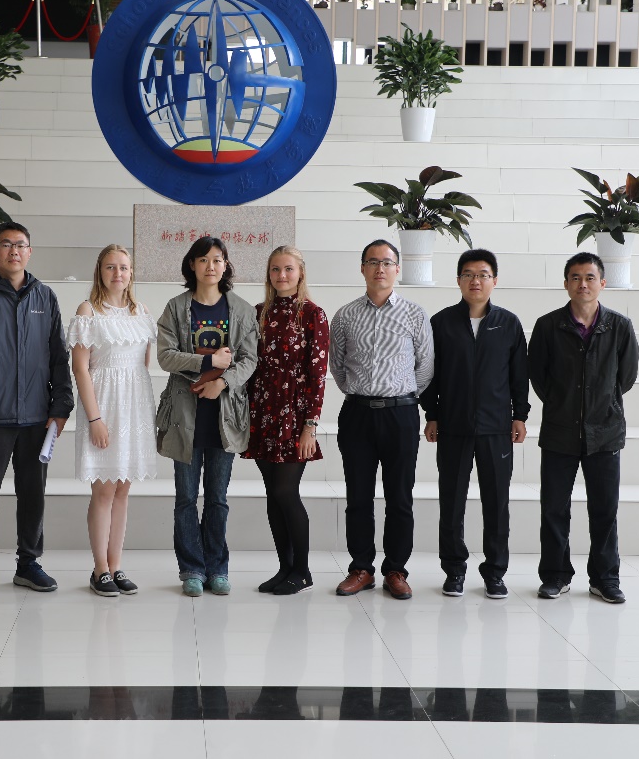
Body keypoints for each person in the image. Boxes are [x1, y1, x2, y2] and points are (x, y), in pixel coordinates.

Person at [0, 222, 74, 600]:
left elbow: (59, 357)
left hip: (37, 417)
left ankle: (28, 563)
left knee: (33, 493)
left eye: (21, 245)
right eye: (6, 244)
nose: (14, 251)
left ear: (30, 252)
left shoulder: (46, 298)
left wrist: (61, 406)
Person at [529, 252, 639, 604]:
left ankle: (605, 578)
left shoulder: (620, 327)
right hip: (559, 431)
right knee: (554, 509)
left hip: (604, 432)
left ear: (602, 283)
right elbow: (538, 376)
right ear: (566, 284)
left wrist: (599, 403)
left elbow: (626, 377)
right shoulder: (548, 326)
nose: (583, 284)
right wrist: (564, 404)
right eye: (575, 277)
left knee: (604, 510)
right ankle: (555, 575)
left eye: (590, 277)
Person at [420, 249, 529, 600]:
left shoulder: (509, 323)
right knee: (451, 502)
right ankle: (454, 570)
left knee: (496, 503)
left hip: (497, 428)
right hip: (453, 426)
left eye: (483, 274)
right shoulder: (441, 323)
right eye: (468, 274)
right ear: (458, 281)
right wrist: (432, 414)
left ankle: (495, 572)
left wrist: (519, 415)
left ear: (494, 280)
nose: (475, 281)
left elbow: (519, 376)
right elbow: (430, 375)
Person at [329, 240, 434, 601]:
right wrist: (363, 392)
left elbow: (425, 368)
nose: (380, 269)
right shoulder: (345, 315)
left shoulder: (414, 314)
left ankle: (396, 570)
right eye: (373, 262)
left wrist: (398, 395)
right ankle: (361, 568)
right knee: (358, 495)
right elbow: (337, 366)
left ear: (398, 269)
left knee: (399, 497)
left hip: (400, 414)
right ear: (362, 268)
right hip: (357, 414)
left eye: (387, 263)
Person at [156, 236, 258, 597]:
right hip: (185, 414)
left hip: (224, 415)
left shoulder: (241, 310)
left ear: (225, 265)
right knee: (185, 498)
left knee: (217, 498)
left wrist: (222, 382)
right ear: (192, 265)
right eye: (203, 259)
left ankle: (217, 568)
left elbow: (249, 359)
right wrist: (208, 361)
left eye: (217, 259)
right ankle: (191, 569)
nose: (210, 266)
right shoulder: (176, 307)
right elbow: (165, 356)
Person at [68, 244, 158, 597]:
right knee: (104, 489)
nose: (117, 273)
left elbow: (142, 364)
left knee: (123, 489)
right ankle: (100, 569)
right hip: (103, 405)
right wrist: (95, 418)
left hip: (134, 406)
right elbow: (80, 369)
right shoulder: (88, 310)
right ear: (100, 271)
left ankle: (116, 565)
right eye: (110, 267)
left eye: (123, 267)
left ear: (131, 272)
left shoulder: (141, 311)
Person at [241, 246, 329, 595]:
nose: (281, 275)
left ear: (300, 273)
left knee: (285, 491)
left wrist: (311, 425)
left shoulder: (312, 314)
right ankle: (285, 567)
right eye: (275, 269)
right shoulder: (258, 313)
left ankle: (303, 570)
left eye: (288, 269)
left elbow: (317, 375)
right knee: (272, 494)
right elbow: (249, 365)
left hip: (294, 414)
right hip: (262, 412)